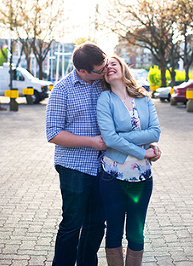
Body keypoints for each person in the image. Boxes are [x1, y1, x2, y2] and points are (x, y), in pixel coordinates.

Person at [45, 41, 109, 266]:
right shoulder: (61, 90)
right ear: (83, 71)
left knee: (96, 224)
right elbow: (53, 133)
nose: (104, 72)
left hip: (103, 167)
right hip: (74, 167)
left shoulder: (104, 84)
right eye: (99, 70)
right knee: (72, 223)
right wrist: (91, 142)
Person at [96, 55, 160, 266]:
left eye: (113, 64)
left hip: (142, 178)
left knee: (136, 233)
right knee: (113, 231)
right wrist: (142, 152)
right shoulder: (105, 99)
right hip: (112, 177)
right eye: (105, 67)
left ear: (123, 67)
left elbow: (155, 133)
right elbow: (109, 138)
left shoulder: (144, 97)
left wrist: (117, 137)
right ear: (103, 76)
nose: (110, 68)